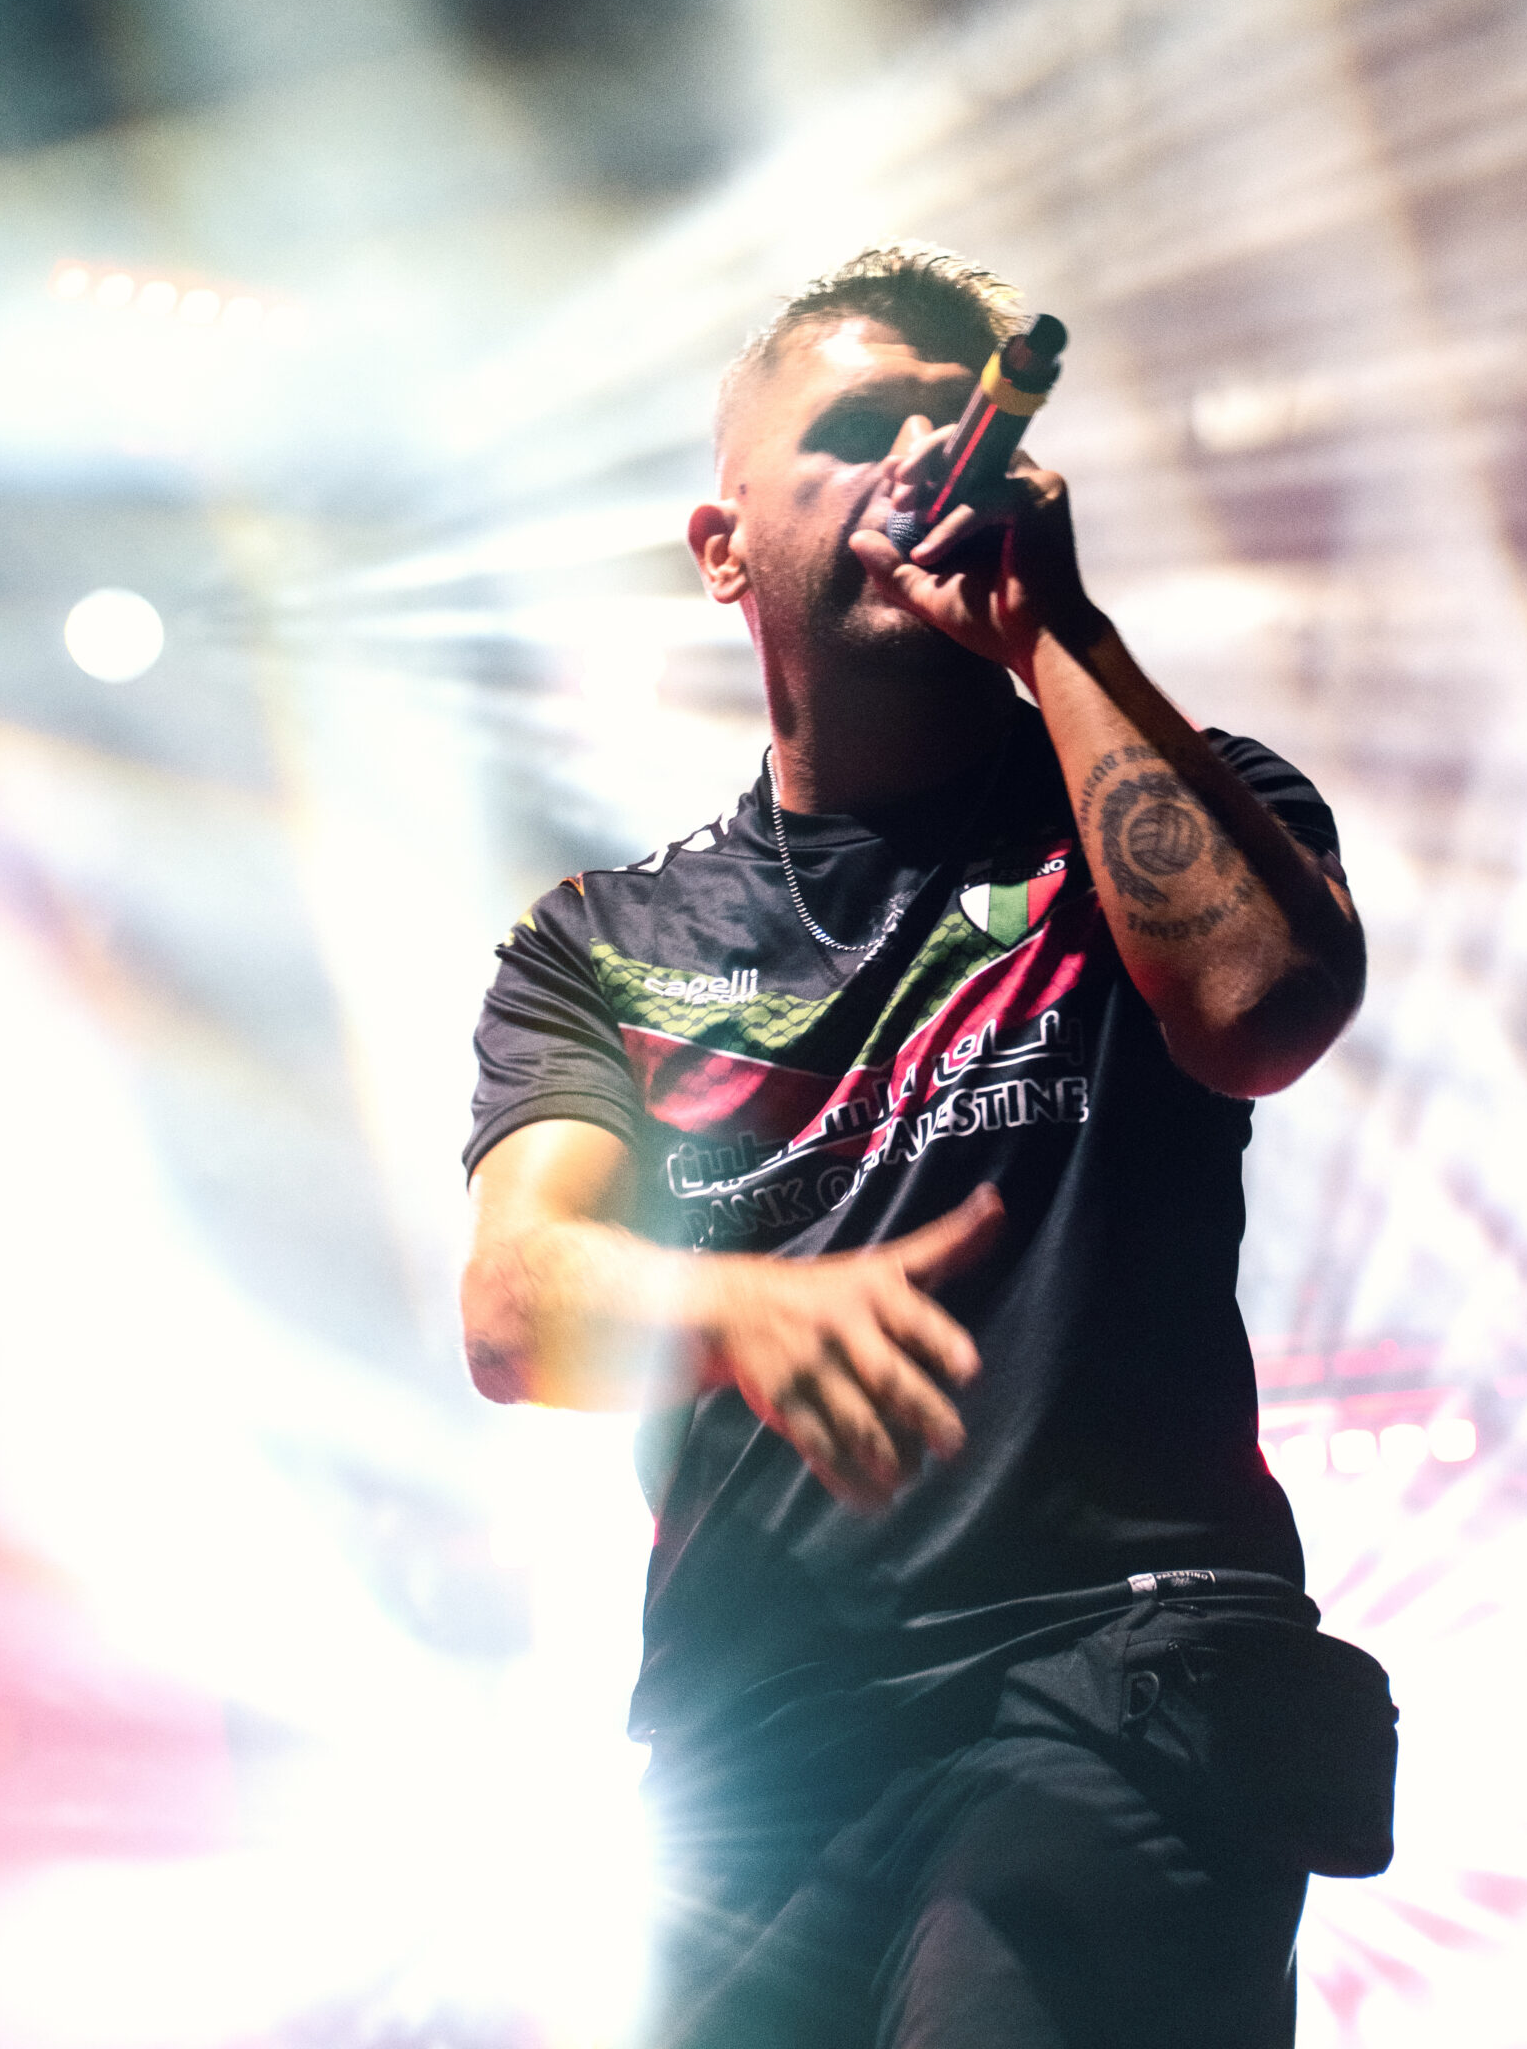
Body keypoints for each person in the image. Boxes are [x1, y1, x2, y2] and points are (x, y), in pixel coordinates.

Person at [461, 245, 1380, 2049]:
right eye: (861, 425)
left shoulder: (1179, 798)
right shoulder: (603, 940)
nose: (920, 462)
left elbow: (1260, 1006)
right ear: (723, 548)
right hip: (756, 1746)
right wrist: (741, 1307)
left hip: (1117, 1667)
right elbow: (513, 1308)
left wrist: (1058, 636)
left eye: (958, 428)